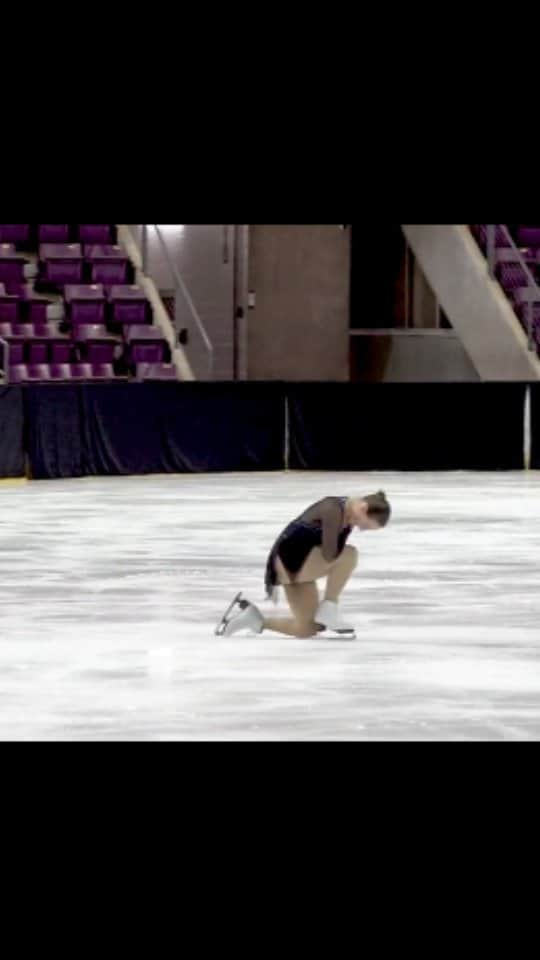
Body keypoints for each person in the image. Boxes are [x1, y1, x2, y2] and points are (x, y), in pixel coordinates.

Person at [216, 492, 391, 639]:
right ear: (363, 508)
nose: (361, 529)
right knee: (350, 555)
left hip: (296, 564)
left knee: (307, 628)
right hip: (289, 560)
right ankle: (330, 606)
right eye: (366, 525)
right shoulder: (333, 509)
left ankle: (254, 619)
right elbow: (330, 555)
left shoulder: (347, 516)